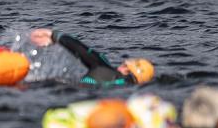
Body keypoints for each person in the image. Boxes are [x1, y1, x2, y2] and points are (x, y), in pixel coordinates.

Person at [24, 27, 153, 86]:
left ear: (126, 68)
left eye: (124, 64)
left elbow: (82, 50)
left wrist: (53, 35)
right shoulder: (123, 87)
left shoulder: (105, 70)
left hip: (65, 90)